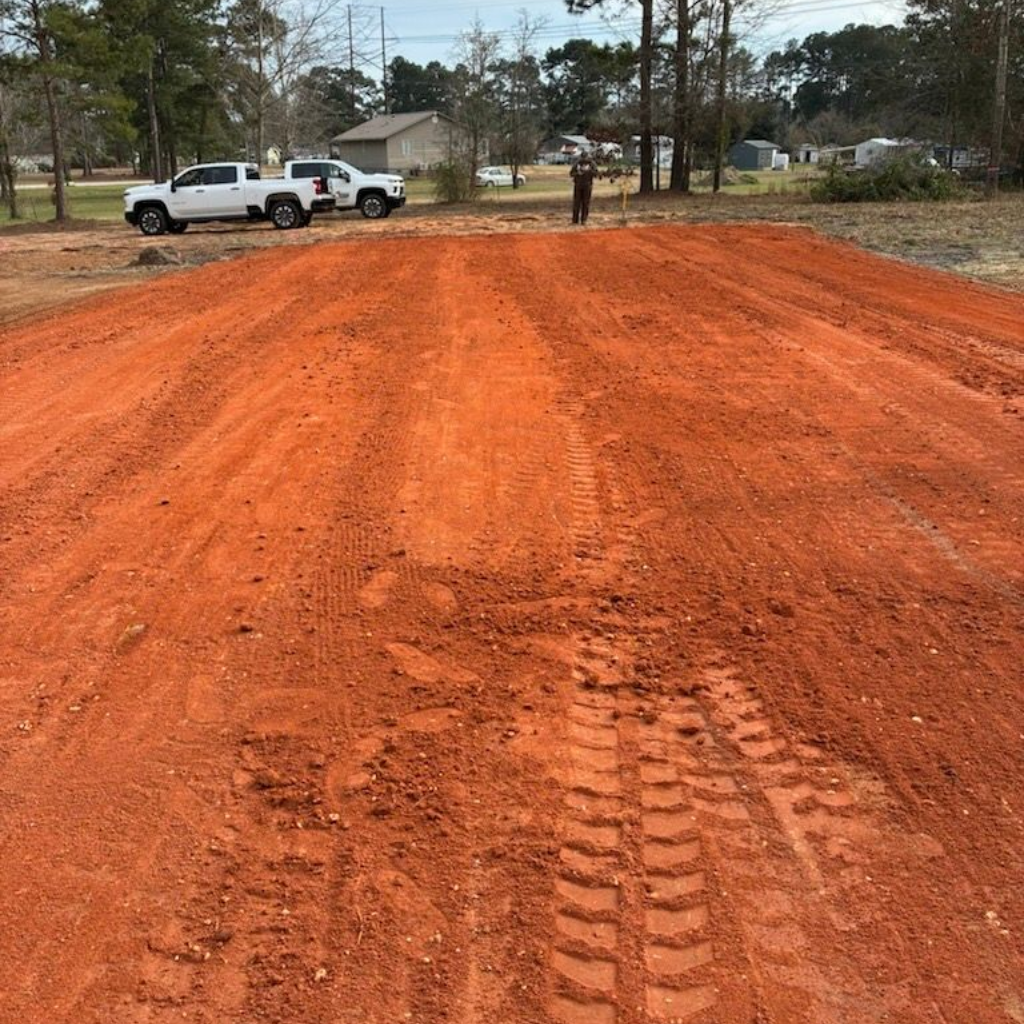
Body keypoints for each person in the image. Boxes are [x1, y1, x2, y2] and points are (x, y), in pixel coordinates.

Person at [570, 153, 598, 225]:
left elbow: (596, 174)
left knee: (586, 203)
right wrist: (578, 173)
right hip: (578, 185)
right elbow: (571, 173)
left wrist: (589, 171)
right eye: (582, 158)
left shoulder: (592, 163)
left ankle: (584, 220)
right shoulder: (577, 163)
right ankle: (575, 220)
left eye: (585, 158)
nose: (584, 160)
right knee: (576, 203)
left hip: (587, 185)